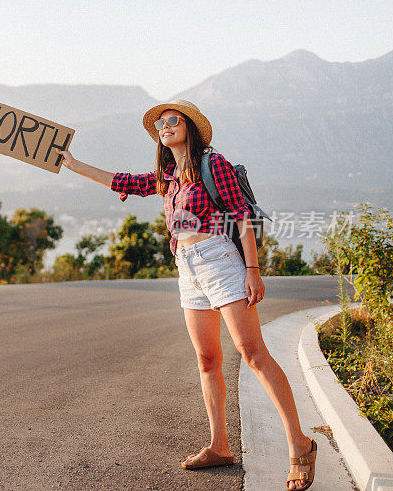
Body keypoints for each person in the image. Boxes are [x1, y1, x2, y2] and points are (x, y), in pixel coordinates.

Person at [57, 99, 317, 491]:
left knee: (252, 353)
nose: (165, 126)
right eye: (160, 123)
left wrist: (252, 270)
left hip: (221, 260)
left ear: (190, 127)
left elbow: (241, 218)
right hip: (188, 268)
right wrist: (75, 165)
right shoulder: (167, 176)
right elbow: (123, 182)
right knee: (207, 358)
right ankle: (219, 445)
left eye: (172, 120)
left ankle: (300, 444)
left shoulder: (215, 165)